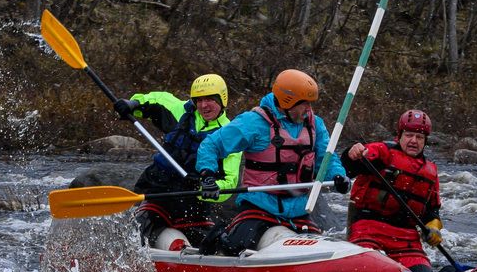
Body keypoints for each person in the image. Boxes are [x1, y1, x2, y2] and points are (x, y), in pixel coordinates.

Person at [193, 68, 350, 255]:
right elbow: (211, 145)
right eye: (304, 103)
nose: (309, 109)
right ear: (287, 102)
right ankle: (218, 237)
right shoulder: (253, 123)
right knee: (233, 248)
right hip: (259, 206)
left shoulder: (315, 125)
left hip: (299, 209)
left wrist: (339, 176)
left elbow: (327, 159)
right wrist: (208, 176)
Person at [112, 74, 241, 247]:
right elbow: (156, 99)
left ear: (222, 99)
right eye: (199, 100)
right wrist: (133, 104)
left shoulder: (230, 134)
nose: (204, 105)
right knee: (137, 230)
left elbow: (230, 181)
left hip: (193, 203)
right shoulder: (181, 112)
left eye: (210, 99)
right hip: (159, 194)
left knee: (212, 245)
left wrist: (210, 189)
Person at [340, 110, 444, 272]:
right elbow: (352, 166)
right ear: (400, 136)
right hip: (368, 229)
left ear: (425, 141)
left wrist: (434, 226)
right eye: (409, 135)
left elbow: (432, 211)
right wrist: (352, 152)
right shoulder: (382, 152)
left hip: (406, 239)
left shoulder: (430, 171)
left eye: (419, 137)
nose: (413, 141)